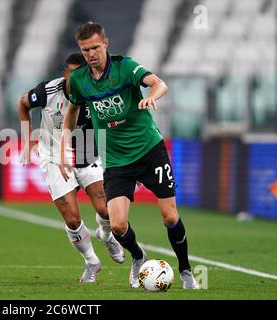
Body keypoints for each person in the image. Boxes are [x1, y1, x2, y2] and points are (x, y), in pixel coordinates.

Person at [59, 22, 200, 289]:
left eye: (95, 48)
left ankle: (185, 271)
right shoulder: (78, 79)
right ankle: (138, 257)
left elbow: (159, 84)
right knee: (118, 225)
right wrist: (65, 148)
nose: (90, 54)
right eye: (85, 49)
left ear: (106, 44)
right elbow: (72, 113)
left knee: (169, 216)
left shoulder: (124, 68)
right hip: (115, 160)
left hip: (149, 150)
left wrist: (151, 97)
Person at [18, 53, 124, 283]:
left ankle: (106, 236)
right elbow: (23, 103)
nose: (78, 79)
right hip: (55, 155)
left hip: (87, 152)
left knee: (107, 210)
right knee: (73, 219)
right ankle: (91, 261)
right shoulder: (48, 91)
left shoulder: (95, 92)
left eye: (82, 73)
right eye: (73, 74)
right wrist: (27, 141)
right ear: (65, 74)